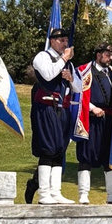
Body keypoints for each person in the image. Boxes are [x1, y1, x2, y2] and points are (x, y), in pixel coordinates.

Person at [30, 28, 80, 204]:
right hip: (46, 107)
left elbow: (79, 88)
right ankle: (43, 194)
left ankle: (55, 192)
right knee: (48, 149)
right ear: (52, 41)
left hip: (62, 110)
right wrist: (64, 59)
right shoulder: (42, 57)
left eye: (66, 40)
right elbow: (48, 74)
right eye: (61, 40)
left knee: (60, 150)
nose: (64, 44)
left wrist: (71, 79)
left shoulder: (69, 64)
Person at [75, 43, 112, 203]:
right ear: (98, 54)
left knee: (110, 158)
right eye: (108, 54)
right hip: (91, 120)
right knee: (86, 157)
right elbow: (77, 94)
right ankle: (83, 195)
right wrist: (93, 108)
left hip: (110, 122)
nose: (111, 58)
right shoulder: (84, 71)